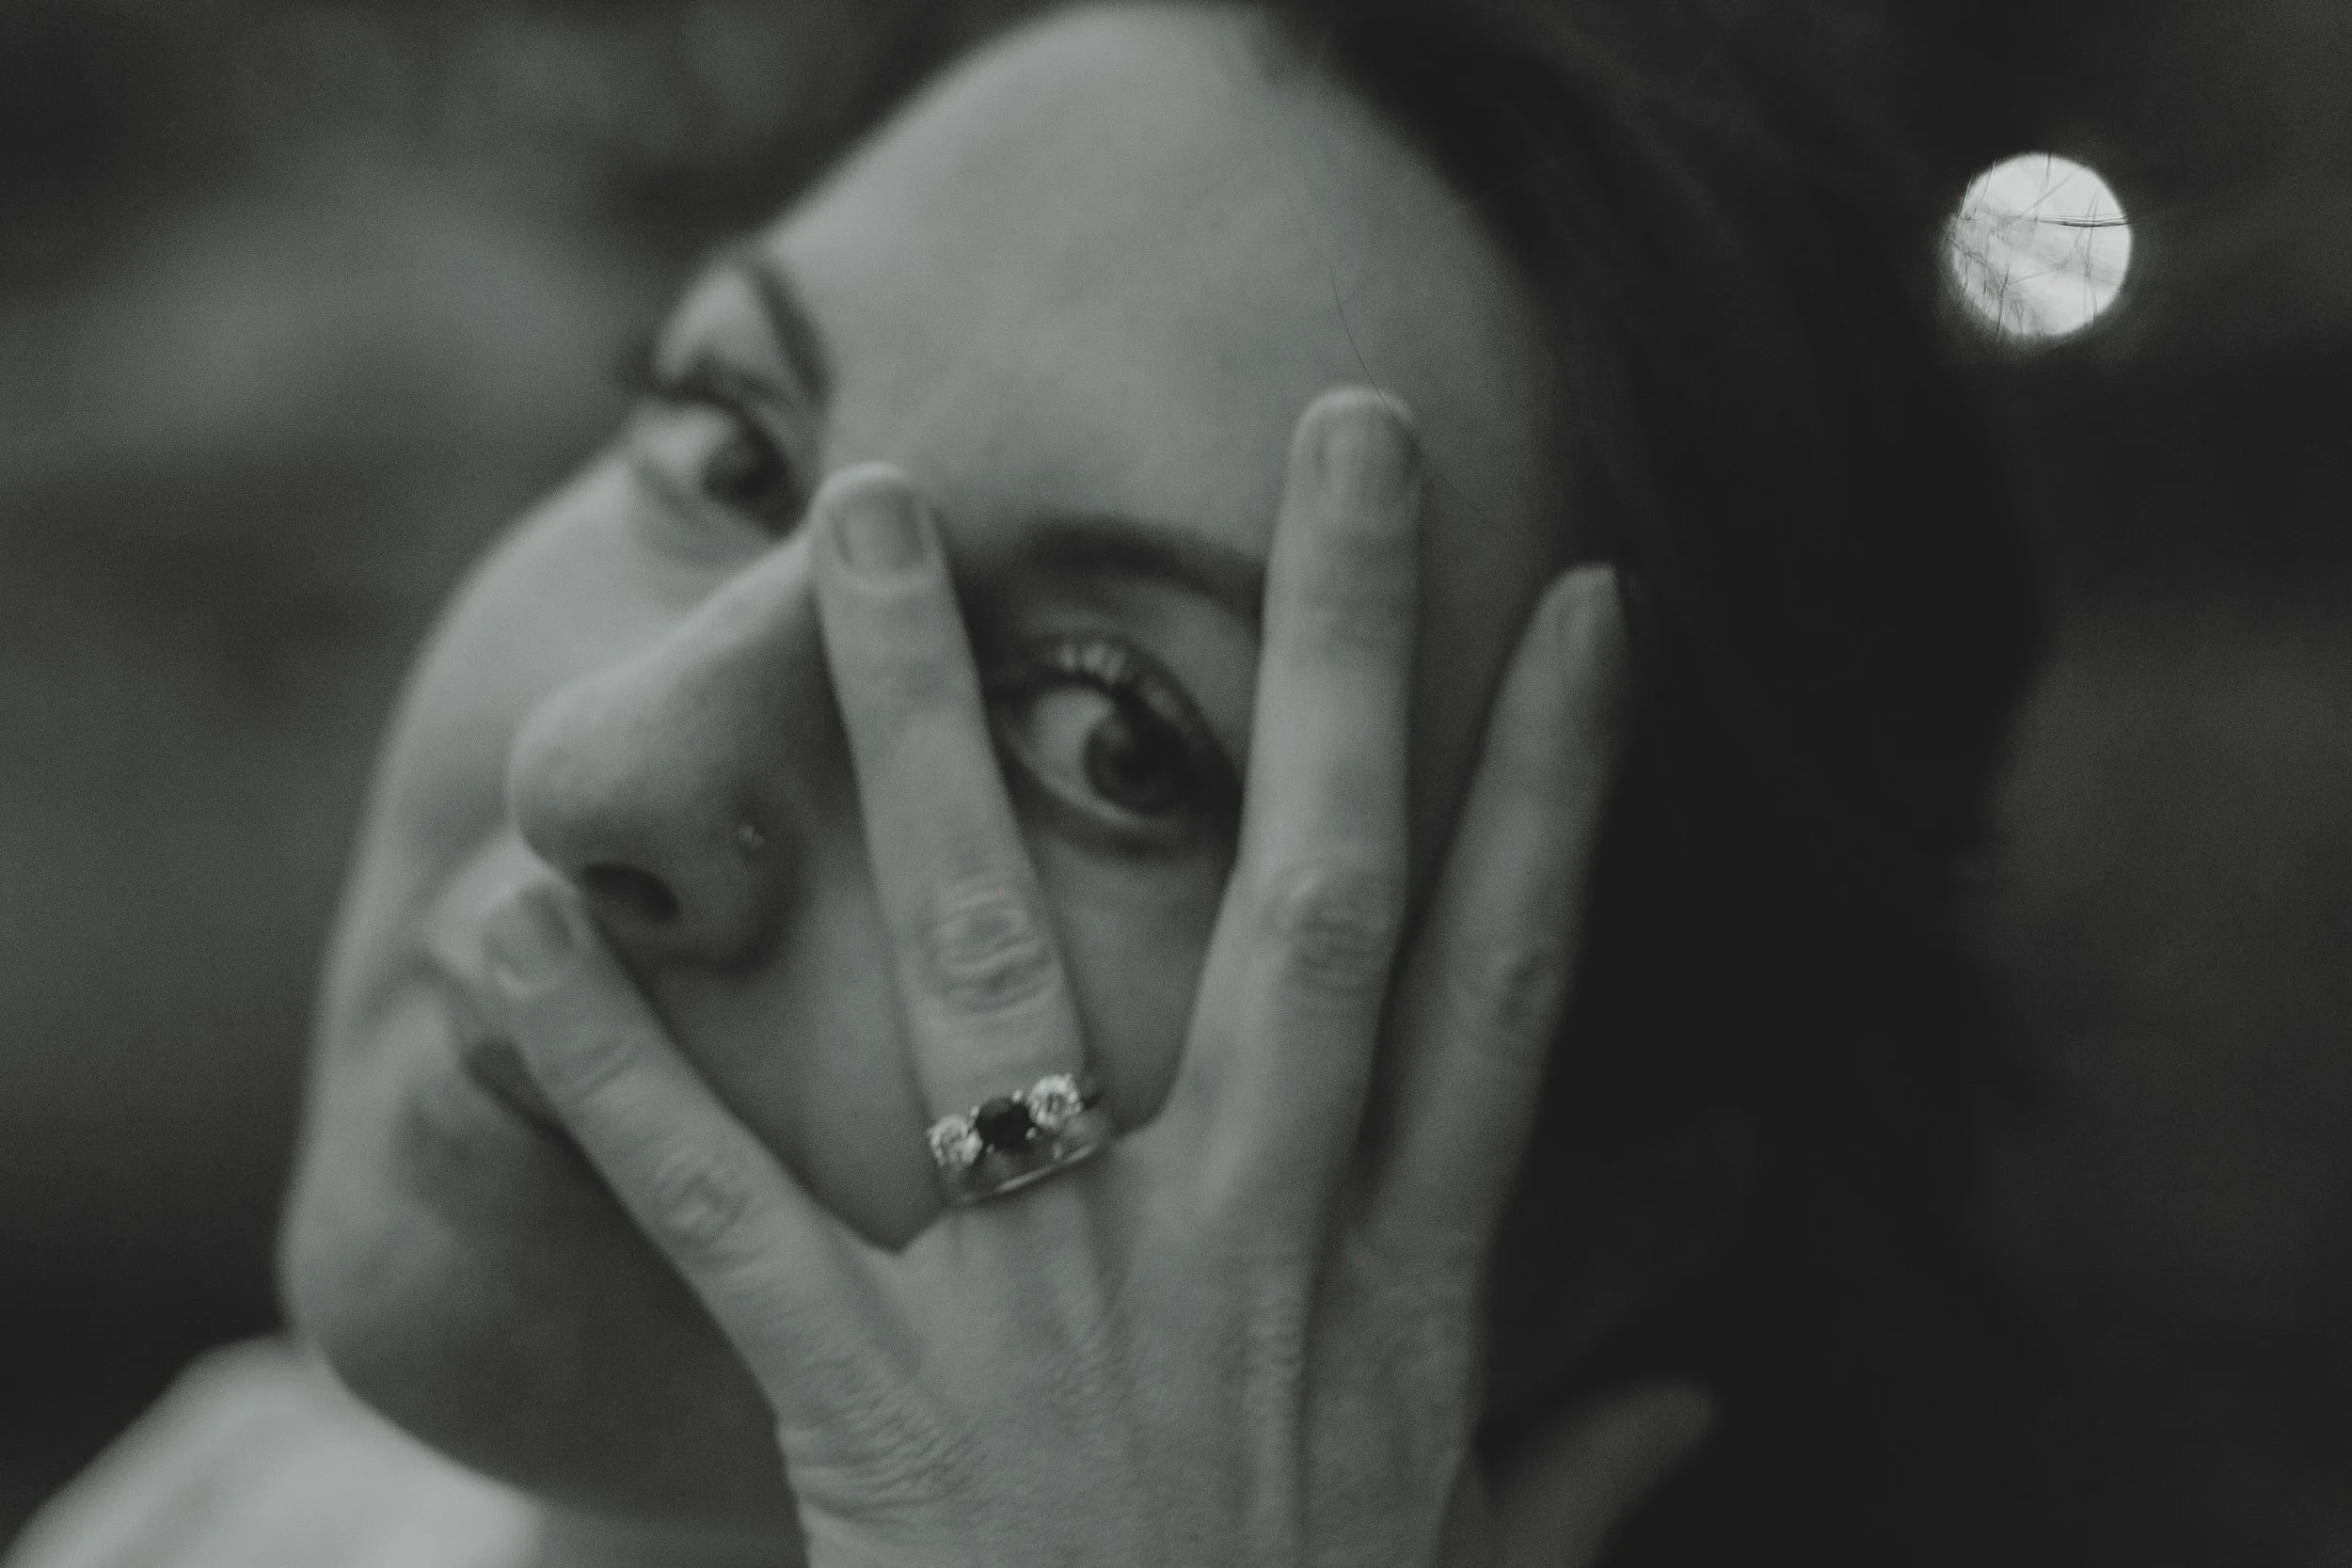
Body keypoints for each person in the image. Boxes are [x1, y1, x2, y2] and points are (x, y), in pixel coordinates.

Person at [8, 2, 2036, 1563]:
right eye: (728, 447)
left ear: (1552, 1257)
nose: (599, 769)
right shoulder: (247, 1497)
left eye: (1108, 736)